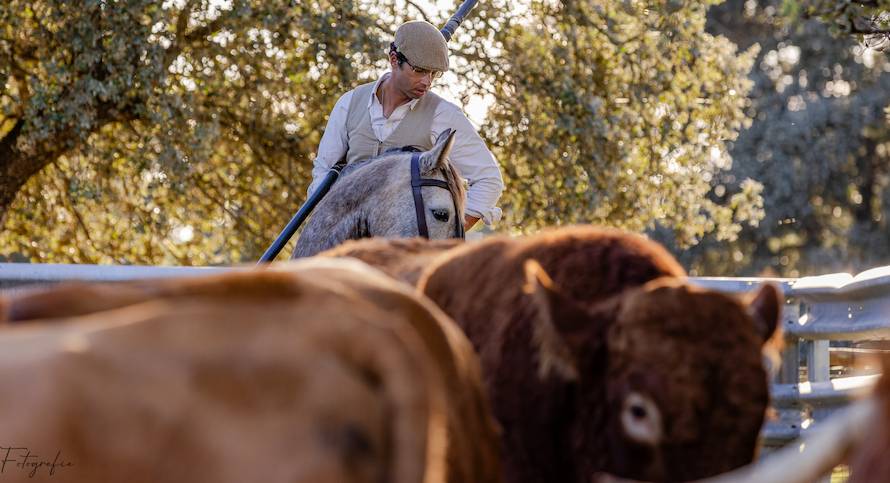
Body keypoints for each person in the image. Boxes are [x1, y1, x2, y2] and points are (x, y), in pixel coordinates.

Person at [307, 20, 504, 230]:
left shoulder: (444, 115)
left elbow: (488, 179)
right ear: (394, 59)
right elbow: (324, 170)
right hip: (343, 239)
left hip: (402, 253)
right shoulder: (350, 103)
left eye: (434, 74)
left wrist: (445, 232)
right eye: (420, 70)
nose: (427, 82)